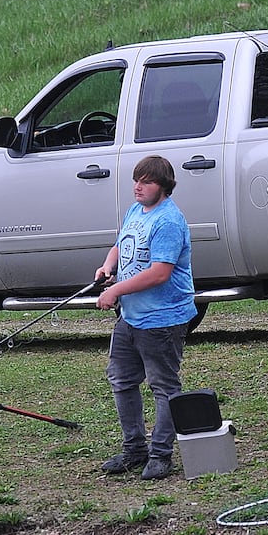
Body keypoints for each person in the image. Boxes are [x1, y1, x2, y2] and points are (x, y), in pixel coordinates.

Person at [95, 155, 198, 481]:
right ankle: (134, 450)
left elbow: (159, 274)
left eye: (147, 182)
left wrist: (115, 291)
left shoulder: (168, 221)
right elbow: (119, 245)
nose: (138, 187)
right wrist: (108, 268)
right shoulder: (137, 210)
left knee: (163, 386)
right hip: (132, 316)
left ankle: (161, 455)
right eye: (136, 180)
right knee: (122, 380)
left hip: (163, 319)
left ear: (163, 187)